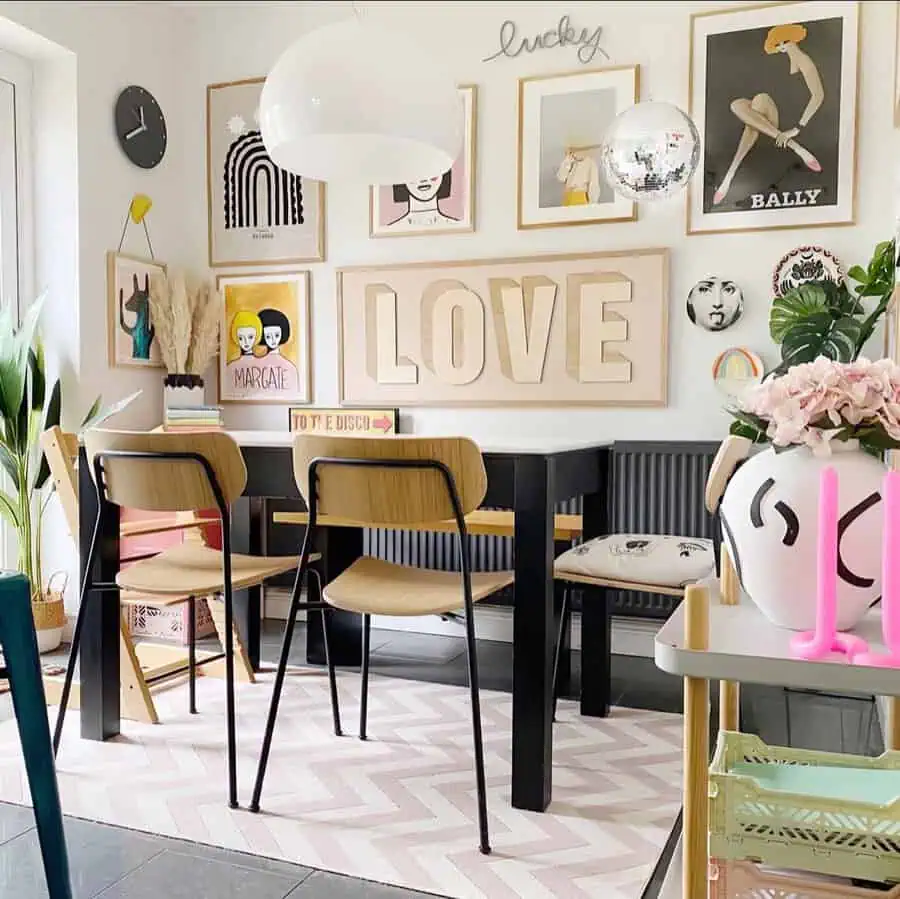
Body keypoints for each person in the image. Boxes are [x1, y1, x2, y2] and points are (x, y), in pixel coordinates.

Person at [713, 22, 824, 206]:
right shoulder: (782, 62)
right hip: (766, 114)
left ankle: (729, 176)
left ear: (793, 39)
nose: (781, 47)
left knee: (761, 99)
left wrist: (798, 127)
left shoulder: (804, 61)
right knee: (740, 104)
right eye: (778, 44)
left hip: (785, 118)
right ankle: (796, 147)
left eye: (784, 43)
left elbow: (818, 96)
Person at [386, 172, 459, 228]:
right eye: (414, 175)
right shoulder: (391, 229)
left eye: (432, 172)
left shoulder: (456, 226)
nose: (423, 180)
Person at [257, 308, 299, 393]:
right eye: (268, 336)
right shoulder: (256, 365)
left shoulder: (290, 367)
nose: (273, 340)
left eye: (276, 335)